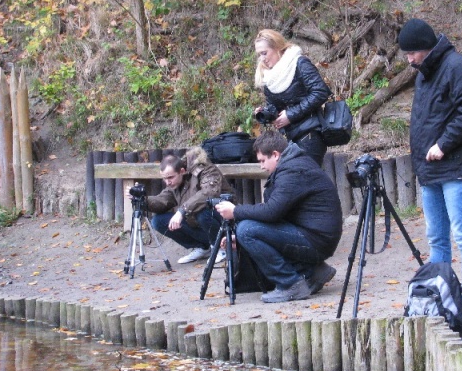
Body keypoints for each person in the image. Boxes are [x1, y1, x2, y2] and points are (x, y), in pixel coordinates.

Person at [399, 17, 462, 327]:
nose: (409, 60)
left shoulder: (456, 66)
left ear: (425, 47)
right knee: (437, 238)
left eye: (411, 53)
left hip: (456, 167)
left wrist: (443, 145)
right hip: (431, 170)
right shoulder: (425, 74)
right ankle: (441, 295)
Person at [215, 131, 342, 303]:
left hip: (316, 240)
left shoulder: (293, 170)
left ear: (275, 155)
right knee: (246, 230)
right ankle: (312, 271)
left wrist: (235, 211)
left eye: (262, 161)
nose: (261, 166)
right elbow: (274, 213)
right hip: (315, 236)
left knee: (247, 230)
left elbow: (271, 211)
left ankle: (291, 285)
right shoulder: (293, 164)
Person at [137, 147, 233, 264]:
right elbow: (163, 200)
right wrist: (142, 199)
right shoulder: (175, 183)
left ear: (182, 171)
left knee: (202, 211)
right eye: (164, 178)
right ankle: (203, 247)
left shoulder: (207, 170)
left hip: (225, 221)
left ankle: (221, 248)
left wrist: (181, 211)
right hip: (198, 222)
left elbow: (208, 193)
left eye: (170, 177)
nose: (167, 182)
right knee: (158, 221)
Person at [254, 29, 332, 166]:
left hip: (310, 133)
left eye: (264, 53)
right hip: (290, 138)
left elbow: (321, 92)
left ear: (277, 47)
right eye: (259, 55)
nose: (262, 59)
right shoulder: (269, 77)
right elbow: (275, 107)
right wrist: (266, 113)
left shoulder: (299, 63)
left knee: (305, 180)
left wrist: (290, 115)